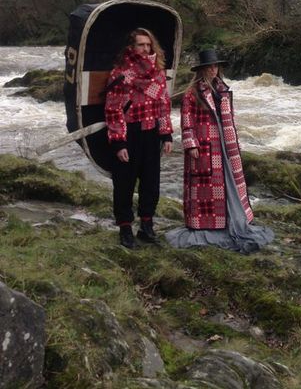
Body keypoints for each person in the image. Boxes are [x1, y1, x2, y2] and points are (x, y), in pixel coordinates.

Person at [166, 49, 273, 254]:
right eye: (210, 66)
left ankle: (231, 219)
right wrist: (191, 143)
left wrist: (235, 140)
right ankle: (206, 224)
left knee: (228, 182)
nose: (214, 69)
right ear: (202, 69)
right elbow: (186, 120)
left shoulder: (222, 89)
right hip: (205, 145)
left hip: (225, 144)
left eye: (216, 66)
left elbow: (230, 118)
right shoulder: (192, 92)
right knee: (205, 184)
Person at [105, 28, 173, 249]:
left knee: (151, 182)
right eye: (141, 45)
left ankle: (146, 225)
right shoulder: (122, 74)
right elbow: (113, 110)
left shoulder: (158, 74)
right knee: (124, 184)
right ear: (131, 48)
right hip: (129, 133)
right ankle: (125, 229)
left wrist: (167, 133)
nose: (145, 49)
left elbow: (163, 106)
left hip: (151, 133)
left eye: (148, 45)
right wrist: (118, 142)